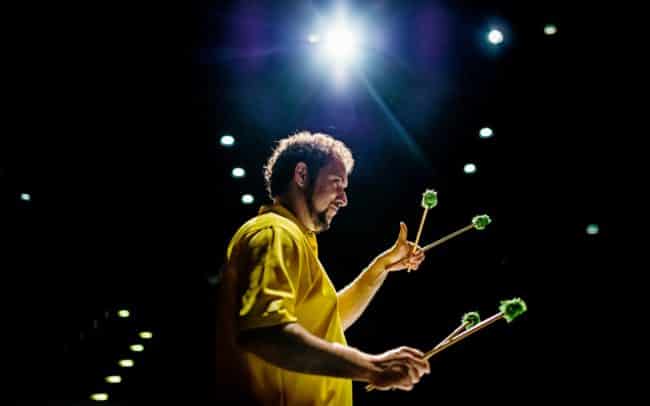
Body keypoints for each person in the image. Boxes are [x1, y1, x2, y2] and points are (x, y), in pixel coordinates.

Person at [215, 131, 429, 405]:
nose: (343, 199)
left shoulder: (294, 237)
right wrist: (371, 367)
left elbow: (327, 321)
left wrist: (381, 267)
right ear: (302, 175)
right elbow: (266, 333)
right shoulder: (274, 232)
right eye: (336, 182)